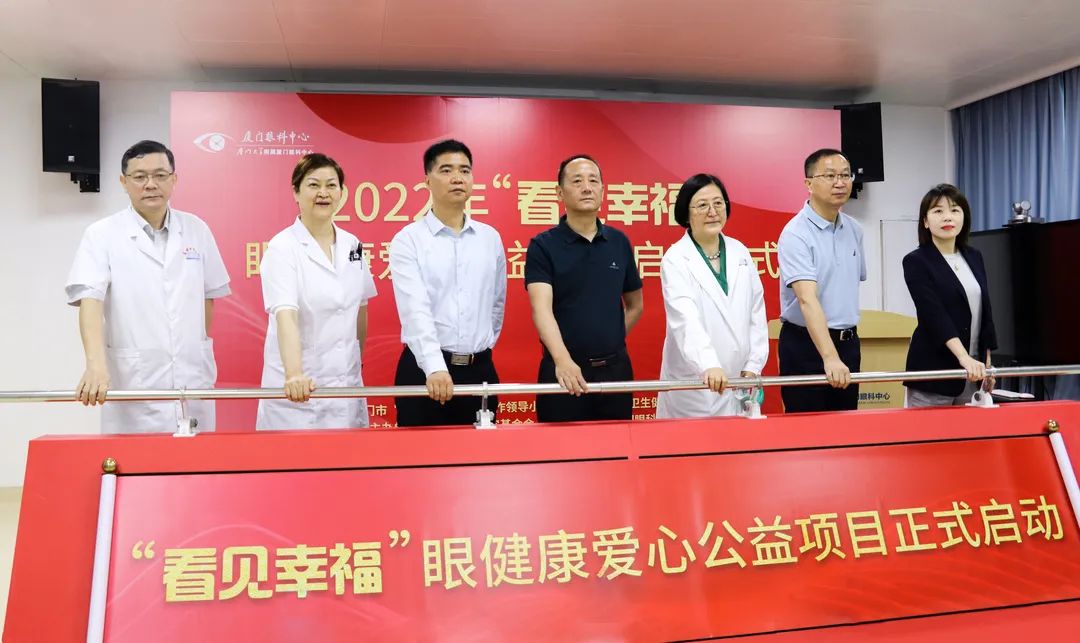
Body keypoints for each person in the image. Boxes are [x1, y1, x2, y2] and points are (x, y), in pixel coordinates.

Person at [65, 140, 231, 433]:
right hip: (134, 381)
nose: (151, 184)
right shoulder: (102, 234)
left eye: (160, 175)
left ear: (174, 179)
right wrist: (95, 365)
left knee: (197, 458)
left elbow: (208, 296)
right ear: (124, 182)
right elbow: (90, 301)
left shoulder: (197, 229)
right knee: (135, 459)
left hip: (192, 377)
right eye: (140, 177)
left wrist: (197, 345)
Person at [389, 139, 506, 427]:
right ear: (427, 180)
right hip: (424, 371)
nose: (457, 178)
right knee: (421, 454)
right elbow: (414, 310)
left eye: (465, 170)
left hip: (479, 372)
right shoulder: (409, 240)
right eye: (446, 170)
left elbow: (496, 303)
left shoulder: (490, 238)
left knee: (481, 455)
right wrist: (435, 366)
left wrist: (480, 349)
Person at [256, 153, 377, 429]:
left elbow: (361, 307)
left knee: (349, 456)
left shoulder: (352, 244)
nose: (323, 193)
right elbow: (285, 314)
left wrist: (356, 362)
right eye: (313, 185)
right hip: (300, 391)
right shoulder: (282, 247)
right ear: (296, 192)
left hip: (346, 384)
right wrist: (294, 374)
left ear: (341, 192)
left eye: (331, 185)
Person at [525, 154, 644, 422]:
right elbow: (541, 310)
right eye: (577, 181)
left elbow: (636, 305)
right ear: (560, 192)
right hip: (563, 372)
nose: (587, 187)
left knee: (617, 446)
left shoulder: (619, 242)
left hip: (615, 373)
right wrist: (563, 360)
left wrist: (610, 340)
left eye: (593, 181)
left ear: (603, 189)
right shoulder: (543, 246)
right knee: (562, 447)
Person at [656, 174, 768, 418]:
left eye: (718, 203)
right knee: (692, 442)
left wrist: (753, 365)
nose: (712, 211)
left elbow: (756, 313)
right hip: (695, 386)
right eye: (702, 205)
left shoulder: (740, 252)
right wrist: (708, 364)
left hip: (739, 381)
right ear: (686, 214)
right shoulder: (676, 259)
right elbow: (685, 320)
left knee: (737, 442)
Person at [777, 148, 866, 412]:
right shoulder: (796, 233)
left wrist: (841, 354)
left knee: (846, 428)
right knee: (807, 430)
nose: (840, 183)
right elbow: (807, 300)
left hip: (848, 344)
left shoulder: (854, 229)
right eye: (829, 176)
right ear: (808, 184)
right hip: (806, 347)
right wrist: (830, 357)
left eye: (845, 175)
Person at [903, 184, 997, 406]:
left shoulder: (974, 256)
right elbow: (933, 315)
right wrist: (963, 358)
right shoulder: (916, 261)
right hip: (934, 372)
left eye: (955, 210)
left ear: (964, 217)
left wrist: (987, 364)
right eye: (938, 211)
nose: (948, 217)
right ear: (925, 221)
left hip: (973, 373)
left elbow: (985, 313)